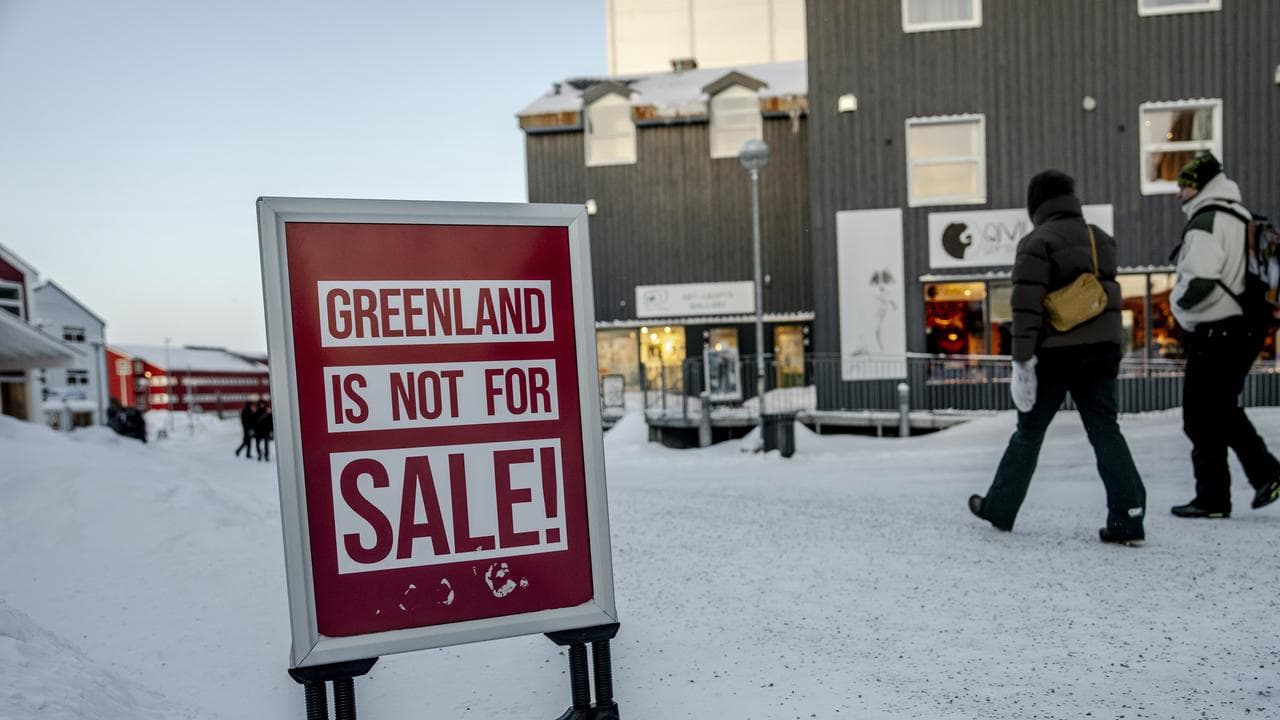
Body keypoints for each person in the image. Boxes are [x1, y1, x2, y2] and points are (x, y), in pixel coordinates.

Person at [968, 170, 1147, 545]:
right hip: (1103, 350)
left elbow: (1026, 309)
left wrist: (1021, 362)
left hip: (1057, 352)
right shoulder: (1101, 240)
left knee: (1029, 432)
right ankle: (1128, 514)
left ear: (1036, 204)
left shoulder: (1037, 242)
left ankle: (1000, 507)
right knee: (1104, 429)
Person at [1168, 153, 1280, 518]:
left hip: (1217, 330)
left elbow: (1199, 281)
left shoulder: (1206, 221)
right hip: (1247, 327)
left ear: (1200, 185)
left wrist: (1179, 310)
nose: (1180, 193)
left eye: (1184, 185)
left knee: (1199, 415)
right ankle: (1252, 480)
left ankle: (1220, 494)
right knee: (1220, 408)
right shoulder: (1241, 216)